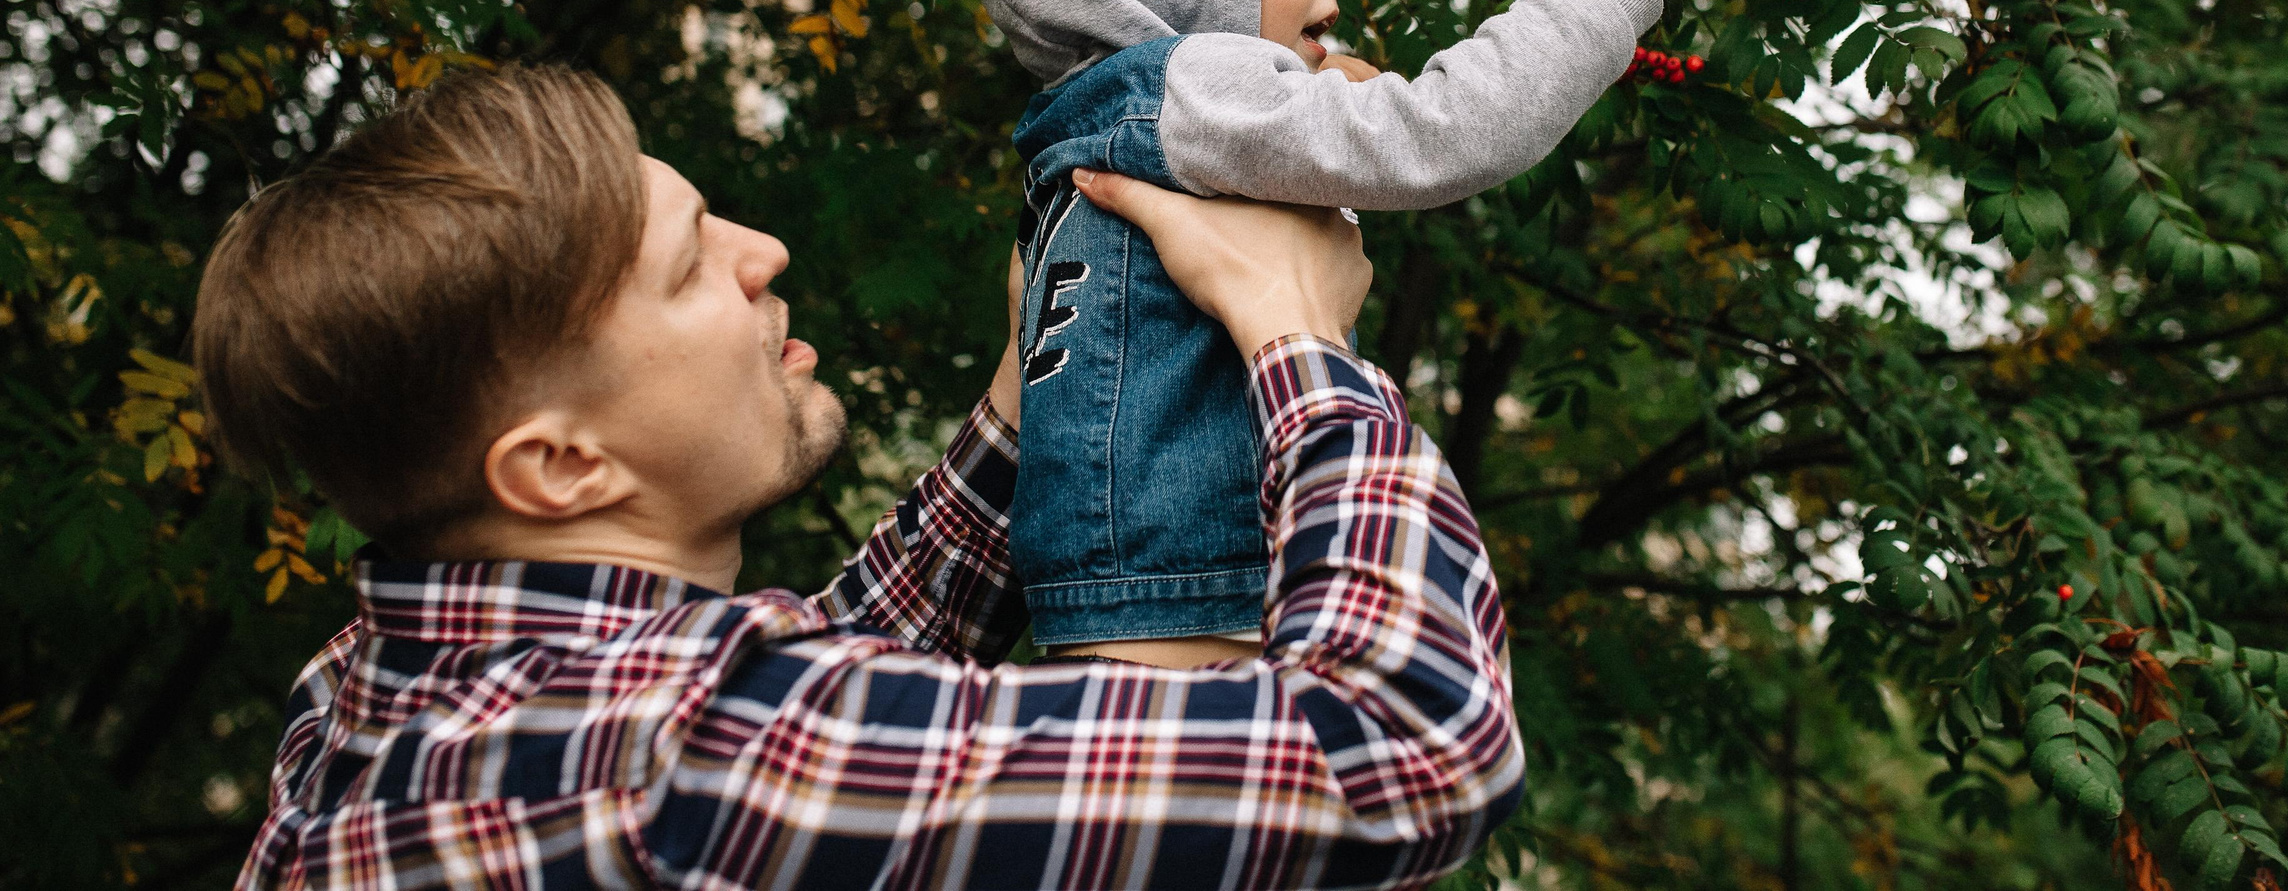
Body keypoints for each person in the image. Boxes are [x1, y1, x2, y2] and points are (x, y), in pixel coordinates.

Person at [191, 66, 1518, 889]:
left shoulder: (373, 692)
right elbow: (1400, 745)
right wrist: (1300, 333)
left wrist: (1040, 370)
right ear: (559, 461)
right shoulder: (676, 769)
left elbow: (824, 683)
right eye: (688, 266)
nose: (761, 249)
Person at [958, 0, 1791, 665]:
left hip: (1119, 613)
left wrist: (1322, 88)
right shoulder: (1189, 84)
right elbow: (1444, 129)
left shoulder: (1081, 122)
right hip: (1211, 615)